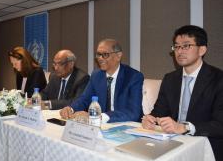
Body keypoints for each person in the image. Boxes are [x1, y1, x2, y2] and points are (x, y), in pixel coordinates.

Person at [141, 25, 223, 161]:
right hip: (171, 142)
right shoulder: (170, 78)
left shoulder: (218, 79)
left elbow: (220, 124)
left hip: (206, 146)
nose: (180, 51)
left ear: (202, 49)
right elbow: (159, 111)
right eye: (177, 46)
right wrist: (150, 119)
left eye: (186, 46)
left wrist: (185, 127)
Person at [60, 39, 144, 123]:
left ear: (118, 56)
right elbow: (84, 99)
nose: (100, 58)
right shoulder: (96, 75)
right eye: (98, 54)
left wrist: (100, 117)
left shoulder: (133, 77)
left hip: (127, 126)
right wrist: (71, 108)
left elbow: (133, 113)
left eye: (105, 54)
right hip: (103, 126)